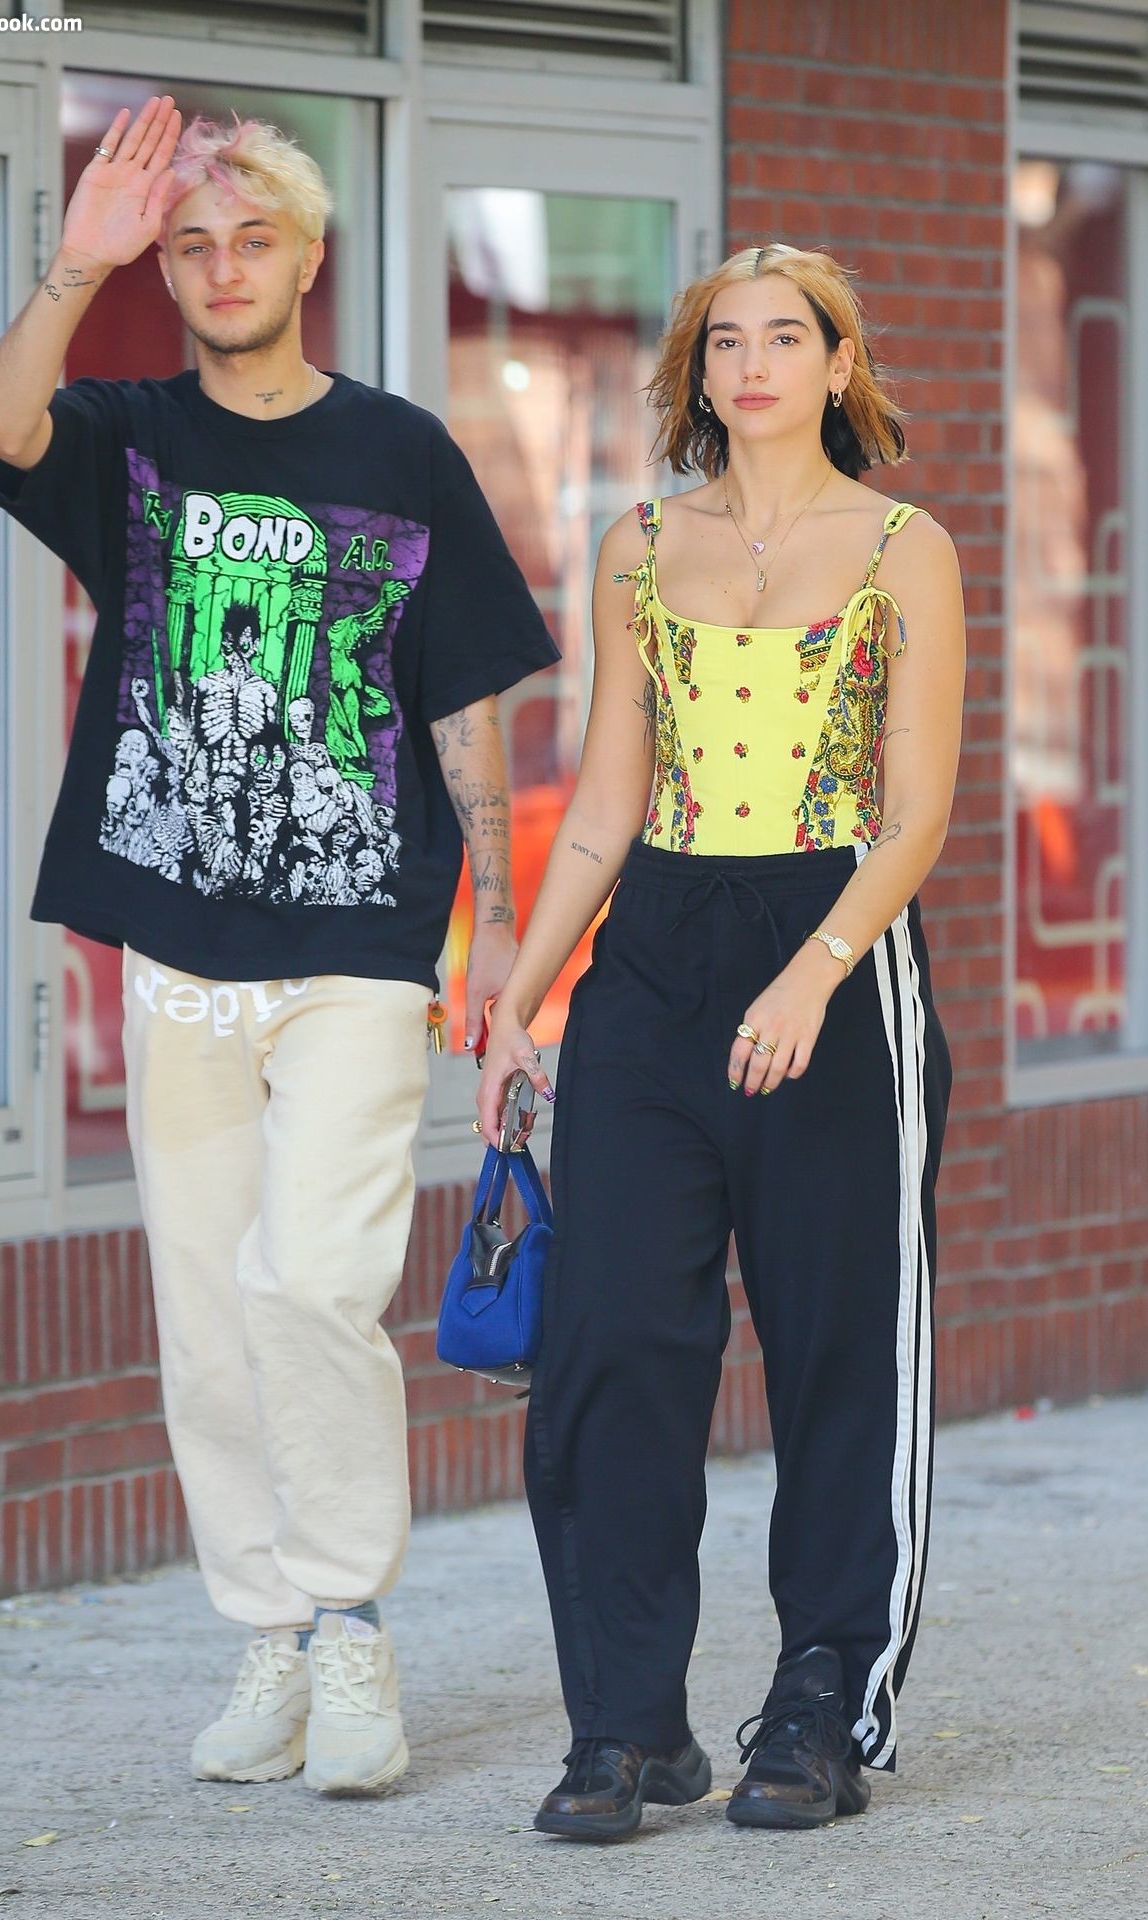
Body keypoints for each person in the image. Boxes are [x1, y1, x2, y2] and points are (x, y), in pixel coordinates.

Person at [0, 98, 557, 1795]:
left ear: (310, 259)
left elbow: (462, 699)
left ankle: (352, 1622)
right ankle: (270, 1634)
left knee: (312, 1282)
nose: (222, 269)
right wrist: (79, 264)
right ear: (168, 272)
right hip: (179, 941)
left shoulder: (401, 450)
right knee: (206, 1306)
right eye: (191, 247)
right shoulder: (129, 435)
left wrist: (496, 933)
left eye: (253, 240)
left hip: (362, 936)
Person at [477, 243, 964, 1840]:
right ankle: (627, 1727)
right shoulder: (636, 545)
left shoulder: (904, 548)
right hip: (655, 960)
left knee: (837, 1348)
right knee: (610, 1343)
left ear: (839, 363)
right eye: (724, 342)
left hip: (836, 951)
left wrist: (817, 971)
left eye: (784, 338)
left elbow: (916, 813)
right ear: (697, 372)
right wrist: (520, 999)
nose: (751, 366)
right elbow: (607, 801)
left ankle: (824, 1700)